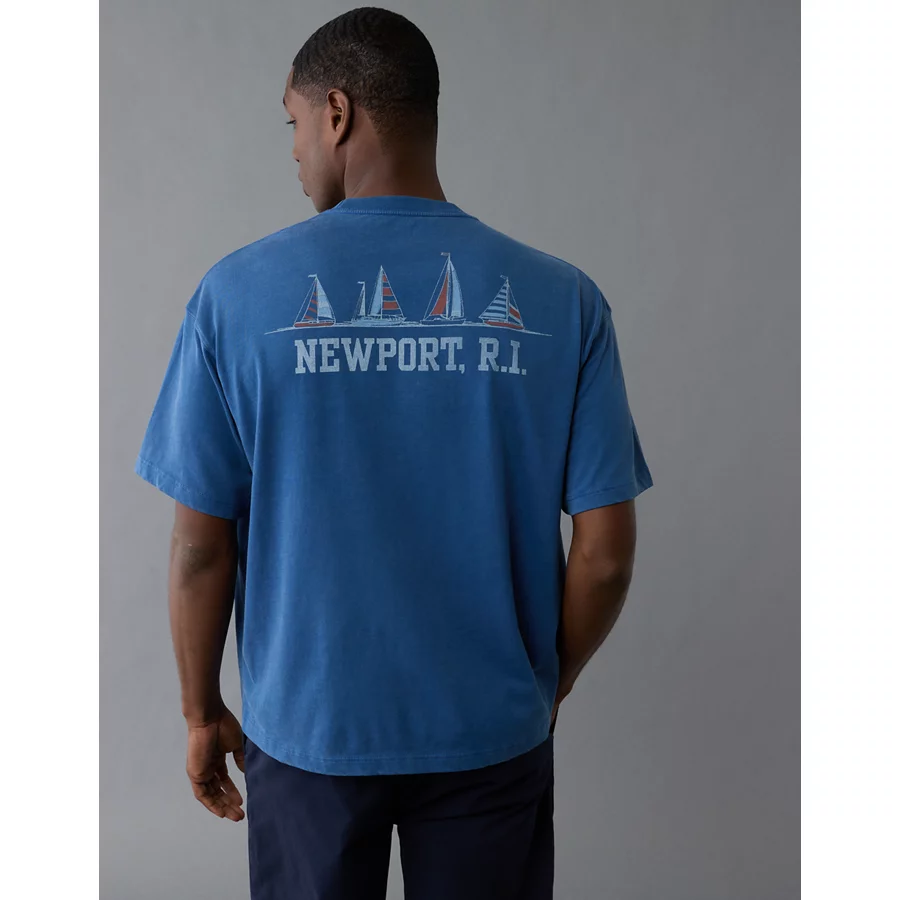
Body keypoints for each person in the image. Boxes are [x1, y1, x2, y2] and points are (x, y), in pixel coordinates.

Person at [134, 7, 652, 899]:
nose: (294, 150)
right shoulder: (564, 301)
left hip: (310, 734)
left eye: (294, 123)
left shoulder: (233, 297)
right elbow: (605, 556)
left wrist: (199, 709)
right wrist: (543, 685)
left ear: (337, 113)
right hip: (491, 729)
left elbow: (198, 546)